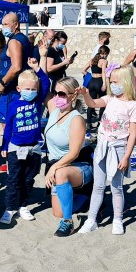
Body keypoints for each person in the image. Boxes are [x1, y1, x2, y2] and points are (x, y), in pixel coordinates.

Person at [78, 64, 136, 235]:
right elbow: (92, 103)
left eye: (115, 81)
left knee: (116, 187)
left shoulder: (134, 106)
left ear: (126, 82)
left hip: (119, 148)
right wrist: (85, 94)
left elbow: (133, 134)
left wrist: (126, 157)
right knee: (98, 185)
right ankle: (91, 219)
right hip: (102, 146)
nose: (112, 85)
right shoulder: (109, 99)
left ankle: (118, 219)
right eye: (111, 81)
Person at [0, 54, 51, 224]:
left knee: (29, 179)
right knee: (14, 180)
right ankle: (9, 208)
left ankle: (23, 206)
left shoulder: (36, 102)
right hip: (16, 148)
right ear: (19, 89)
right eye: (27, 89)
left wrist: (37, 68)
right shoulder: (14, 105)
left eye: (33, 89)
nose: (31, 92)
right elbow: (8, 127)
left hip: (34, 148)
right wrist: (4, 146)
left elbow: (46, 83)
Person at [43, 76, 93, 237]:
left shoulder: (76, 119)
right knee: (57, 211)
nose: (57, 97)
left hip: (79, 165)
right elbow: (42, 83)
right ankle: (86, 199)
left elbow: (74, 153)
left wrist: (54, 167)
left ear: (73, 96)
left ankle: (68, 222)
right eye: (55, 93)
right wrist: (42, 57)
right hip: (57, 165)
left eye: (62, 94)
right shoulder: (53, 110)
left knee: (60, 174)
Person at [0, 12, 31, 126]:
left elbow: (16, 67)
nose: (3, 27)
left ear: (15, 25)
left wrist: (2, 82)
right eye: (2, 24)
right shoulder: (23, 39)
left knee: (7, 126)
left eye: (6, 24)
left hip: (11, 90)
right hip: (18, 88)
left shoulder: (14, 41)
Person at [84, 46, 110, 133]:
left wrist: (88, 76)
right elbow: (103, 73)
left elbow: (83, 70)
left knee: (91, 103)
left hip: (92, 82)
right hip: (99, 81)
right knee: (103, 103)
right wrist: (104, 83)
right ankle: (100, 123)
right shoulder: (104, 61)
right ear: (105, 53)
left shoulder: (92, 60)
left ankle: (88, 123)